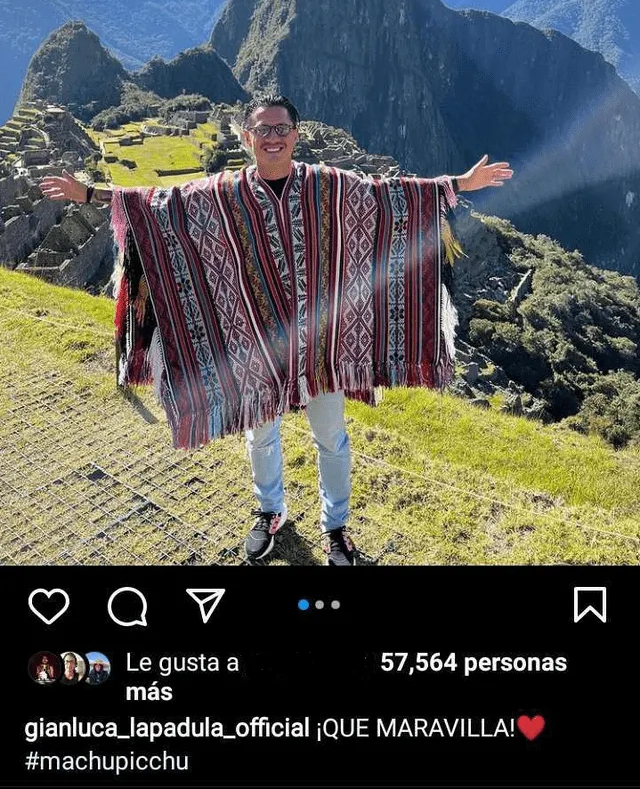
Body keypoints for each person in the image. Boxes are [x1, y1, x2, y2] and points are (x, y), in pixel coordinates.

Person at [40, 96, 513, 566]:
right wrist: (88, 195)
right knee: (260, 434)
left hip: (324, 345)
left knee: (332, 438)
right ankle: (271, 513)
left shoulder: (327, 185)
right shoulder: (222, 193)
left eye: (280, 129)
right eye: (262, 129)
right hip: (256, 341)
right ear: (247, 137)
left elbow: (388, 194)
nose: (272, 138)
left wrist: (459, 184)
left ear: (295, 135)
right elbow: (160, 204)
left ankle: (337, 531)